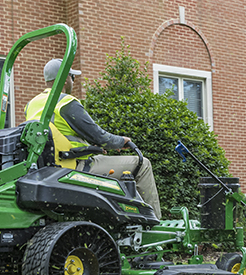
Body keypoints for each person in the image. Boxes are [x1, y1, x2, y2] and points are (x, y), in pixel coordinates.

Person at [24, 58, 161, 219]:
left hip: (47, 170)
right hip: (74, 167)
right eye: (72, 77)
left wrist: (92, 148)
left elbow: (57, 139)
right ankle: (155, 222)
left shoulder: (31, 105)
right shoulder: (66, 102)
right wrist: (120, 141)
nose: (73, 81)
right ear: (66, 78)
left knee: (103, 158)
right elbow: (100, 136)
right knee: (143, 164)